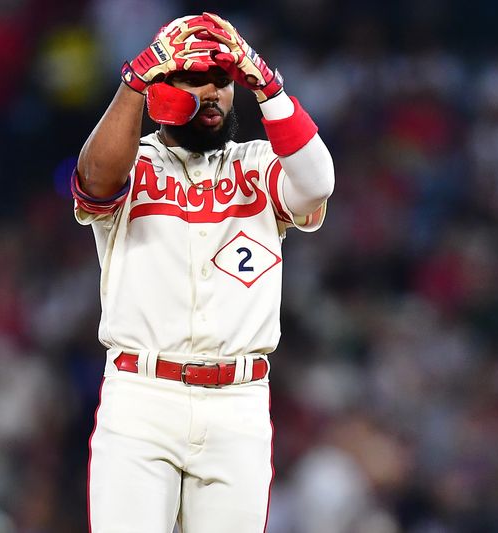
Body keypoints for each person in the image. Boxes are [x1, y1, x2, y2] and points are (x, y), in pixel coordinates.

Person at [72, 12, 335, 533]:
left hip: (238, 404)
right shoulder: (134, 161)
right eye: (194, 78)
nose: (212, 92)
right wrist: (135, 79)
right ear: (161, 89)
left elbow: (317, 184)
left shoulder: (259, 163)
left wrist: (266, 81)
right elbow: (96, 179)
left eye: (221, 79)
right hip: (142, 398)